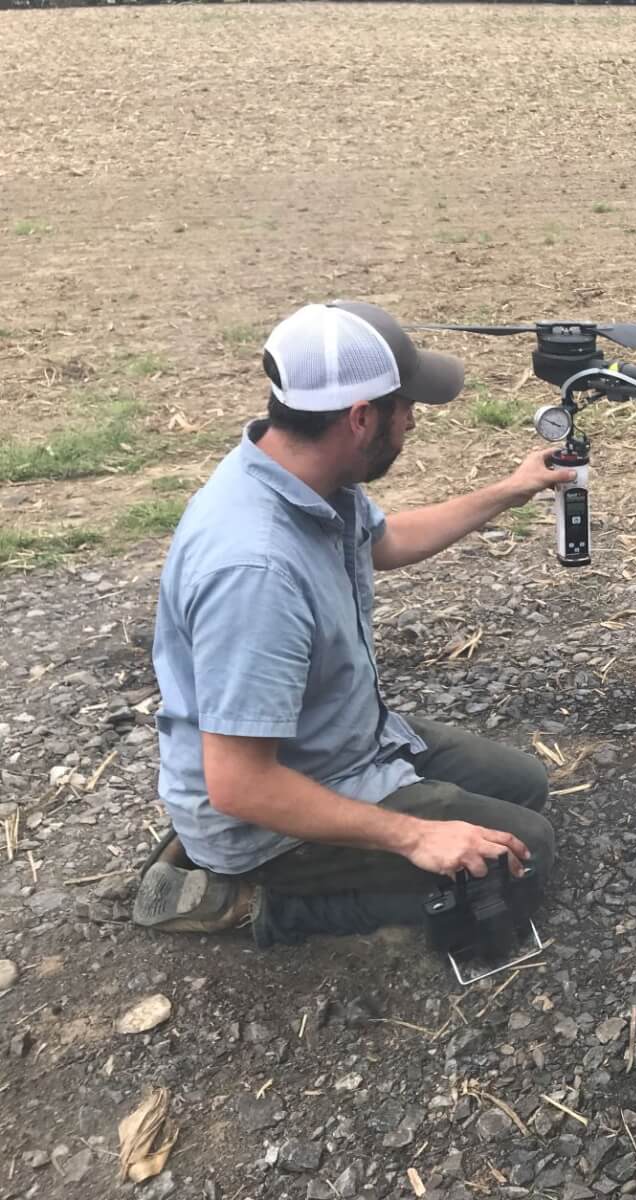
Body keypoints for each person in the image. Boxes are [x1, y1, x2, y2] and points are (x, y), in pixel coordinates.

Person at [131, 300, 576, 949]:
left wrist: (512, 489)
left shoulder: (303, 473)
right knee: (520, 857)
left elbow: (385, 540)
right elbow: (240, 782)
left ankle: (272, 843)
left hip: (334, 742)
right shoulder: (255, 572)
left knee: (525, 786)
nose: (414, 421)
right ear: (361, 417)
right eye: (406, 406)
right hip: (261, 808)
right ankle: (250, 897)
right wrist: (418, 835)